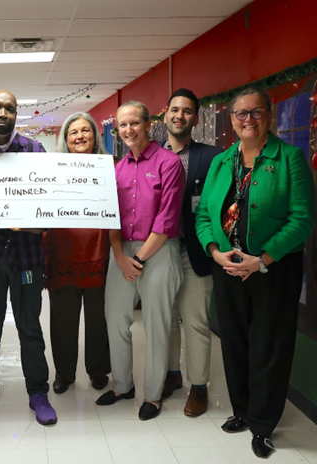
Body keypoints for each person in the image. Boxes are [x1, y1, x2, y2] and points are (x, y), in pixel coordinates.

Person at [195, 88, 315, 458]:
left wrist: (261, 260)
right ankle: (242, 410)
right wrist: (215, 252)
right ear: (231, 120)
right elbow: (203, 215)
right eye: (240, 114)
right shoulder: (222, 162)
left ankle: (262, 426)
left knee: (269, 347)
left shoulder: (290, 158)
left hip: (272, 271)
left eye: (256, 112)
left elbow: (302, 219)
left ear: (269, 116)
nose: (248, 119)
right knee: (233, 343)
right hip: (228, 268)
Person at [0, 90, 57, 426]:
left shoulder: (35, 151)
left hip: (27, 255)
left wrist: (39, 226)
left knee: (30, 328)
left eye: (10, 109)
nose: (3, 113)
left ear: (17, 114)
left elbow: (51, 202)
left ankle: (38, 392)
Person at [96, 101, 185, 421]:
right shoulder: (115, 170)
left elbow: (167, 218)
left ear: (149, 125)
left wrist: (138, 258)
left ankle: (153, 394)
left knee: (157, 325)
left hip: (159, 251)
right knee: (116, 320)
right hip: (121, 253)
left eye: (134, 123)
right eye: (122, 125)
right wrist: (120, 256)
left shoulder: (169, 162)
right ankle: (122, 386)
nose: (129, 130)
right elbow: (110, 218)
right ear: (117, 130)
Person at [160, 88, 222, 416]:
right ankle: (172, 375)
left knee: (195, 320)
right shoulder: (152, 155)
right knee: (166, 319)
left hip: (196, 252)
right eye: (175, 109)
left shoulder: (213, 157)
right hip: (160, 250)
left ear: (195, 118)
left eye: (187, 111)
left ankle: (198, 387)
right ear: (165, 114)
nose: (179, 115)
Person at [44, 112, 111, 394]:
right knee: (63, 321)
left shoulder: (110, 167)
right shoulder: (52, 169)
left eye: (86, 130)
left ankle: (98, 370)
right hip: (62, 252)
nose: (80, 136)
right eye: (73, 132)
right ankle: (64, 372)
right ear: (65, 139)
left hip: (99, 252)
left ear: (96, 135)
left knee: (99, 319)